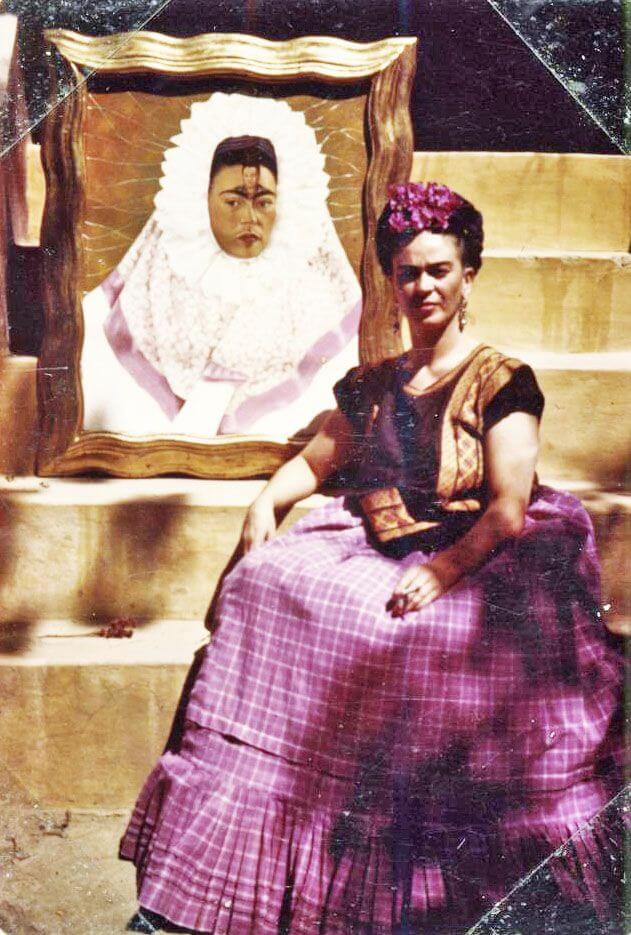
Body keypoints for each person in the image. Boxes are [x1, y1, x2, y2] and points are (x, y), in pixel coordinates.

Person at [121, 182, 623, 934]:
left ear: (467, 276)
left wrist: (443, 570)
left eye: (439, 271)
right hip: (384, 536)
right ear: (391, 283)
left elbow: (507, 507)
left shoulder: (499, 381)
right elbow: (318, 463)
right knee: (266, 580)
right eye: (409, 273)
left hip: (478, 548)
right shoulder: (378, 383)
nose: (423, 286)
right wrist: (265, 501)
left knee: (420, 638)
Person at [80, 92, 361, 438]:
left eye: (264, 202)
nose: (249, 218)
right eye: (233, 202)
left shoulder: (318, 299)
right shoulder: (158, 284)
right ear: (204, 199)